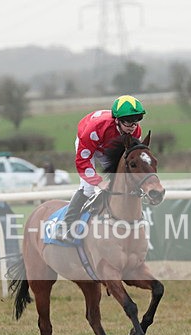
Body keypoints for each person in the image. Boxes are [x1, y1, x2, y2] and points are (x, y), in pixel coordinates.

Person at [56, 94, 146, 241]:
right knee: (88, 188)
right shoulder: (96, 128)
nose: (132, 127)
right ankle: (65, 226)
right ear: (117, 120)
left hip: (108, 147)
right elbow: (82, 161)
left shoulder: (136, 131)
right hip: (90, 143)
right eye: (128, 123)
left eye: (136, 122)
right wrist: (99, 182)